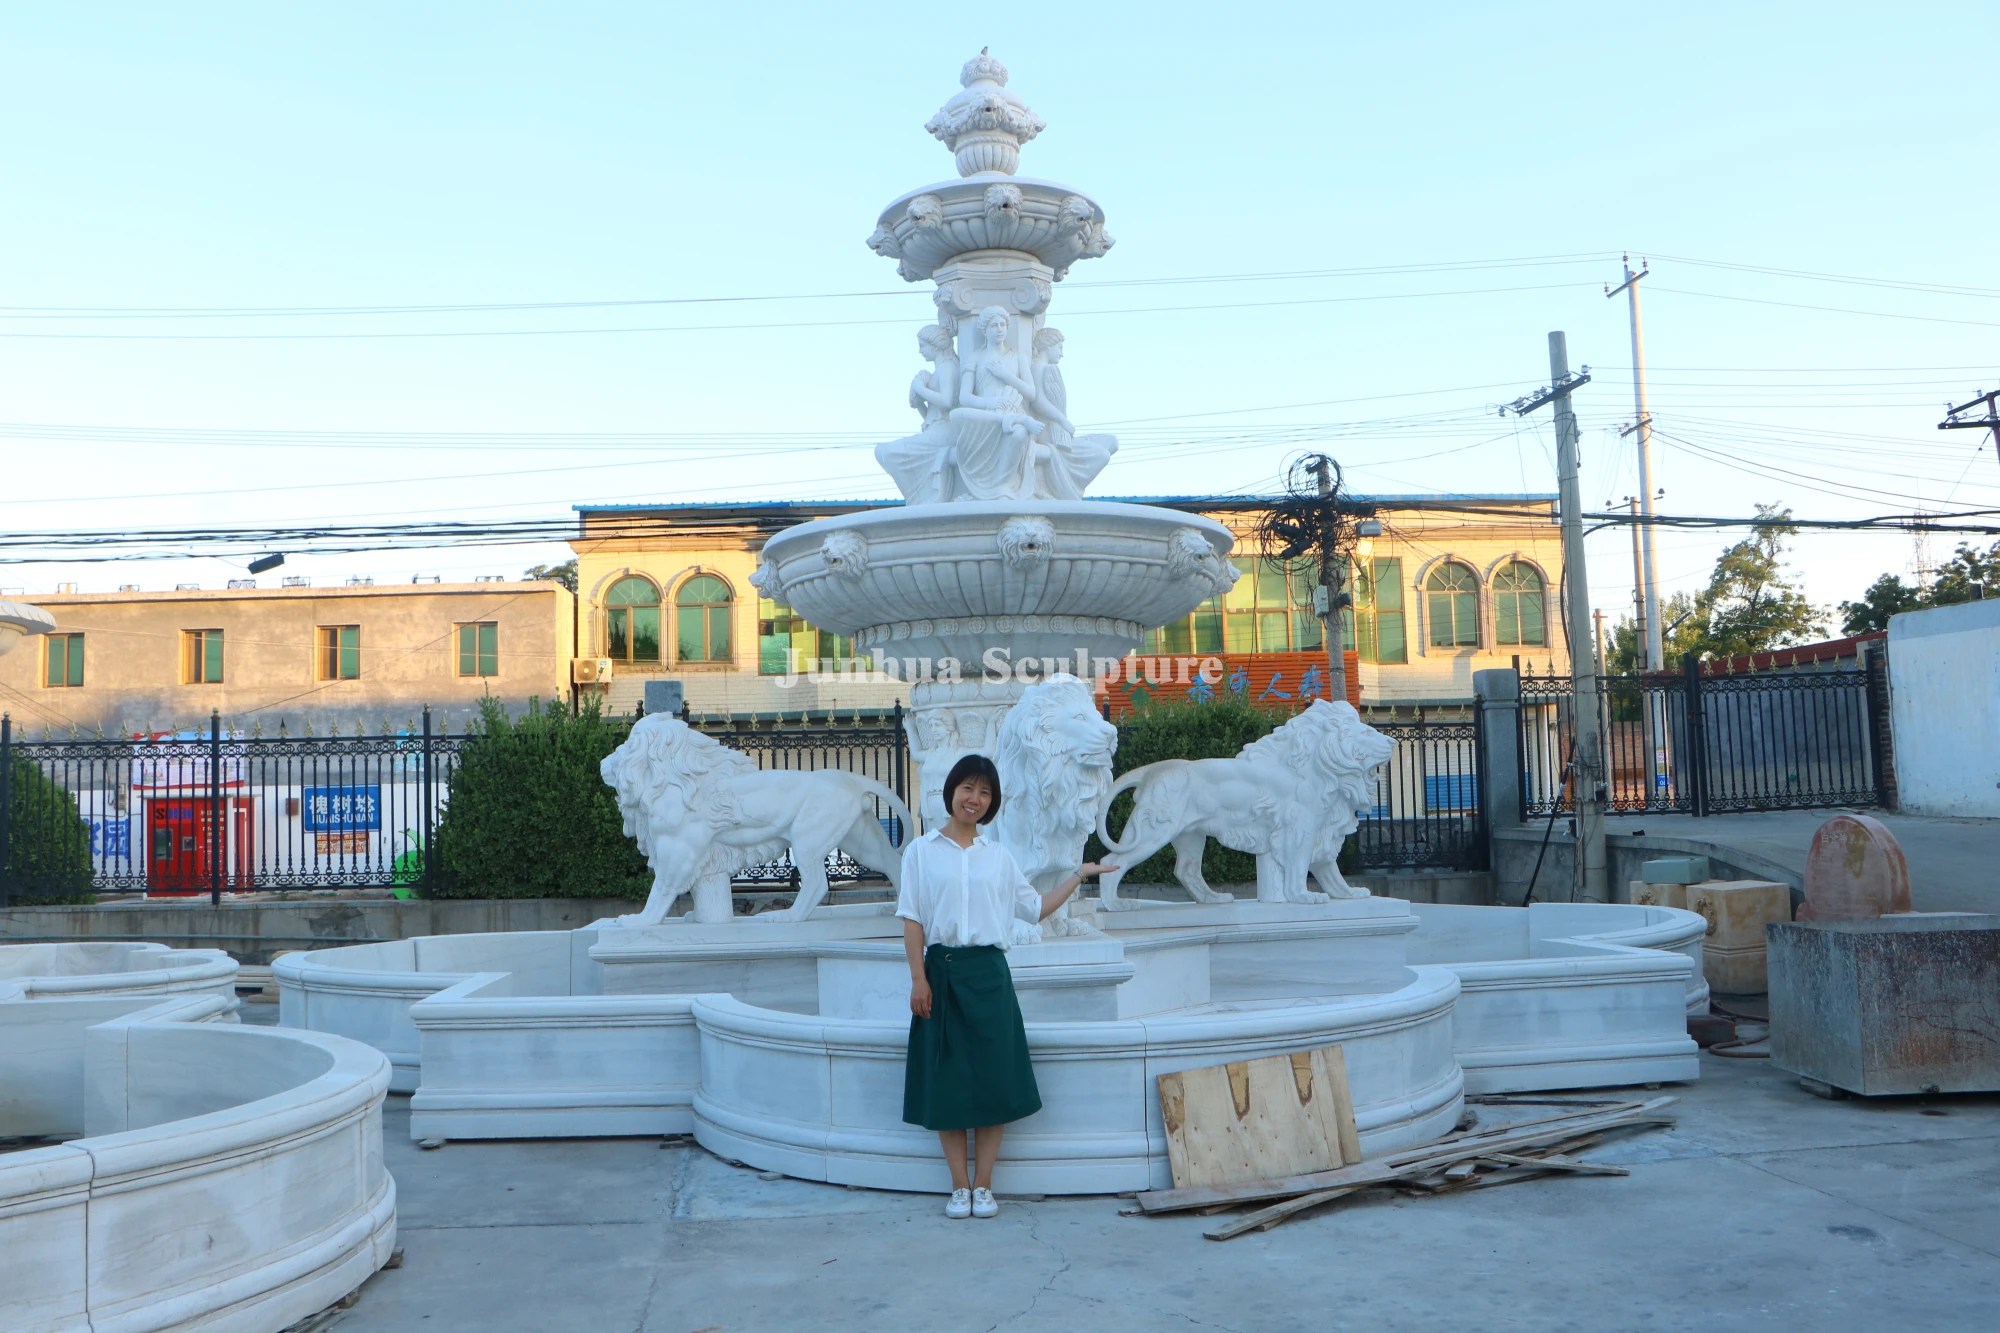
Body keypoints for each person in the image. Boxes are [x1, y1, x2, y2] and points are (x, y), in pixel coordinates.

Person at [897, 752, 1115, 1219]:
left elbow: (1034, 909)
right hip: (942, 973)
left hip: (990, 977)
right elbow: (912, 918)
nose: (974, 799)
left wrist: (1080, 874)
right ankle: (959, 1186)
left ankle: (985, 1185)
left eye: (985, 793)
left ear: (991, 803)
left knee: (994, 1079)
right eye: (968, 789)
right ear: (952, 791)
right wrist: (918, 978)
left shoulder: (998, 857)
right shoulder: (921, 851)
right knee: (948, 1082)